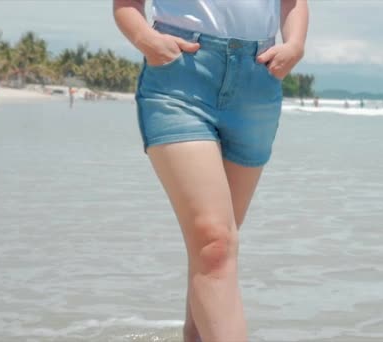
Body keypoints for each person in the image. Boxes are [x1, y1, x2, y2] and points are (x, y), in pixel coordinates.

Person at [113, 1, 308, 342]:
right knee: (214, 241)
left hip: (257, 81)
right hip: (180, 78)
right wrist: (146, 38)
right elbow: (125, 4)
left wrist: (295, 45)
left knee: (216, 248)